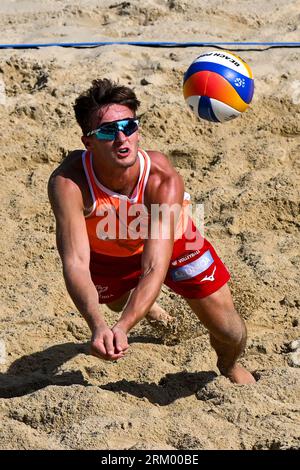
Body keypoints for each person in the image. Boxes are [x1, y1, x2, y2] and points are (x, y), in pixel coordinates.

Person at [48, 78, 255, 385]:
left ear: (138, 129)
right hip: (110, 246)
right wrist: (98, 325)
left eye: (129, 127)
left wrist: (122, 328)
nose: (122, 138)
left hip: (174, 240)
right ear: (88, 142)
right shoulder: (69, 183)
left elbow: (155, 266)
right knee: (116, 302)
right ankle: (153, 312)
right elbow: (76, 263)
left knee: (229, 331)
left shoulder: (161, 179)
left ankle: (228, 366)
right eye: (107, 131)